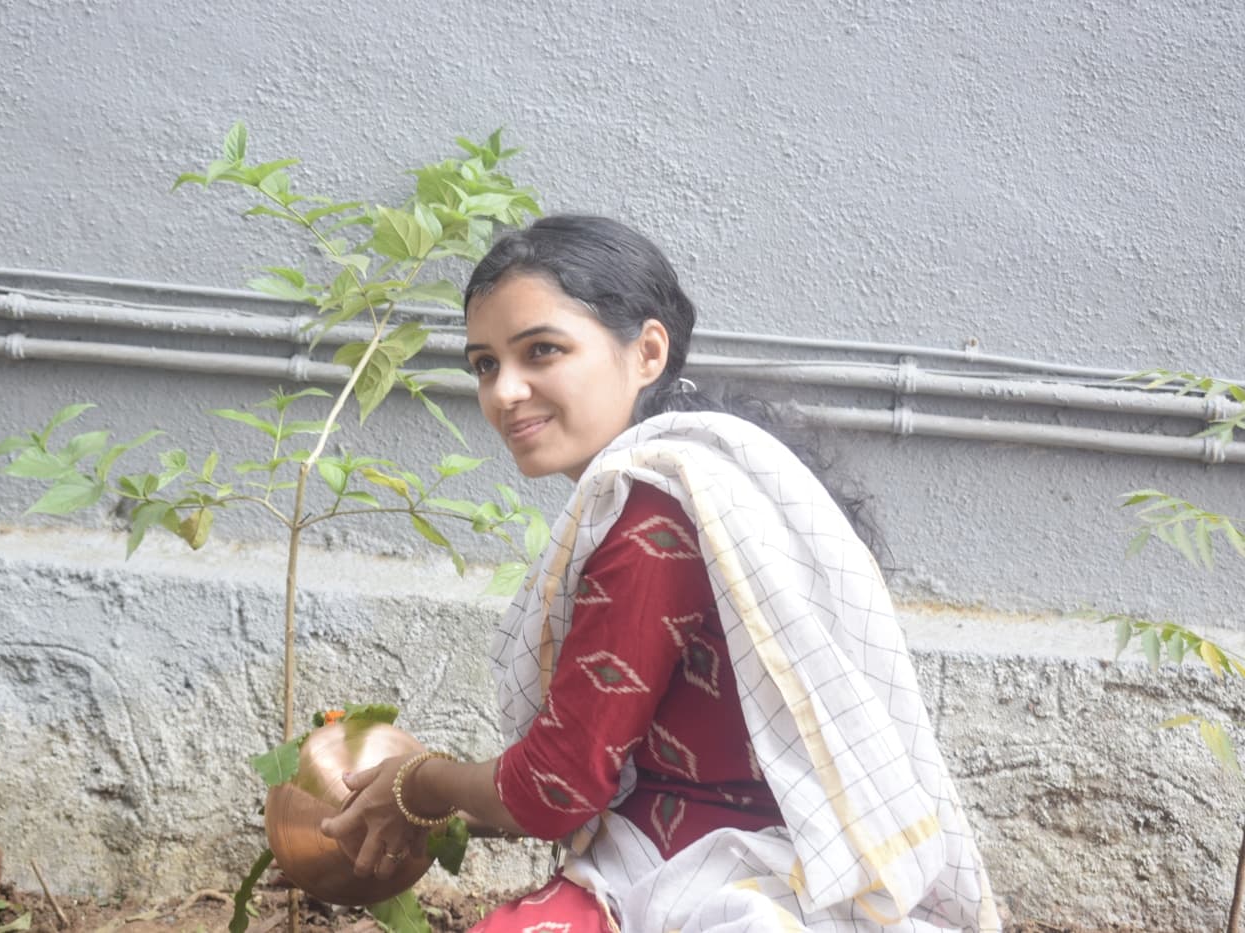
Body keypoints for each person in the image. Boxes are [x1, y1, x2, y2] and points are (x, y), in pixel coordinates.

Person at [321, 215, 1000, 931]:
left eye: (540, 351)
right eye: (485, 364)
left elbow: (555, 788)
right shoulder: (706, 480)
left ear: (647, 351)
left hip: (748, 876)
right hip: (735, 853)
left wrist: (420, 782)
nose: (505, 391)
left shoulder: (655, 521)